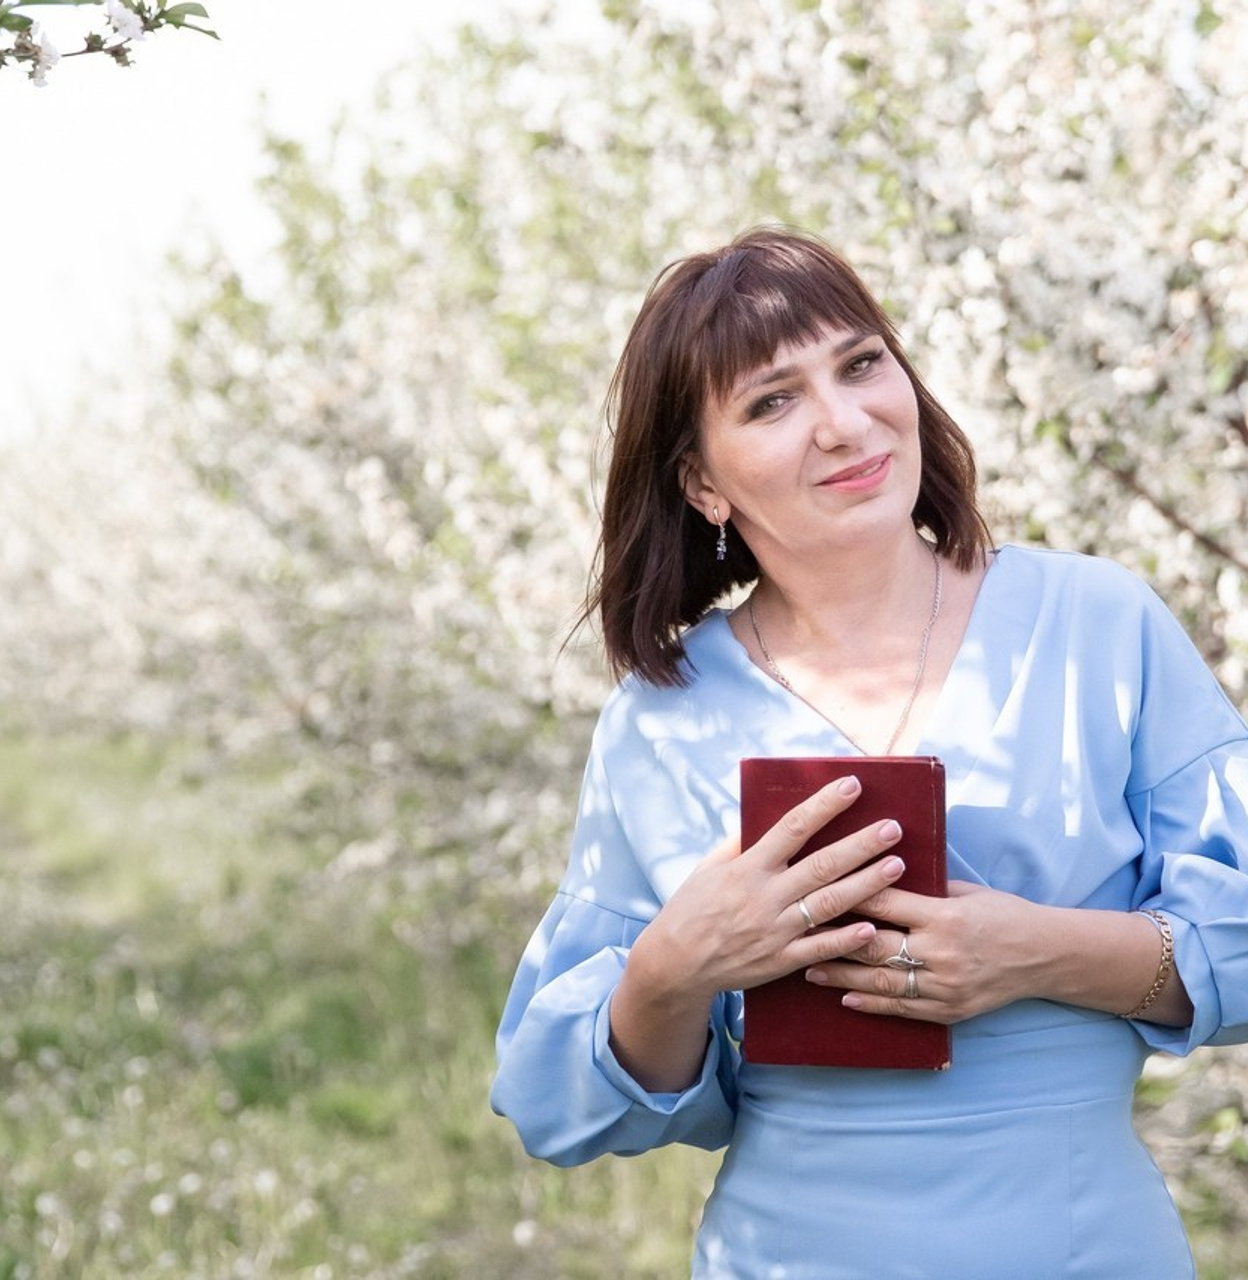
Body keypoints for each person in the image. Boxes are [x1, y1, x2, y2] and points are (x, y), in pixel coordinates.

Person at [490, 225, 1248, 1278]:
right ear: (703, 484)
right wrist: (669, 969)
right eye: (771, 401)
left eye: (858, 364)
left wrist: (1036, 950)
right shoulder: (663, 717)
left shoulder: (1095, 623)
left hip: (1084, 1247)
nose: (843, 424)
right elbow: (557, 1109)